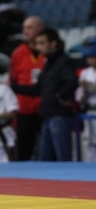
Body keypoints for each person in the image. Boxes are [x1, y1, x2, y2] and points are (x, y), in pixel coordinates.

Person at [11, 28, 78, 161]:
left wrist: (60, 96)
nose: (38, 47)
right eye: (38, 43)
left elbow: (72, 82)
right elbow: (37, 90)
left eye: (42, 43)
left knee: (62, 158)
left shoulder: (63, 62)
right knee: (45, 159)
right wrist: (13, 87)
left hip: (59, 115)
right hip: (47, 116)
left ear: (53, 43)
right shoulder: (48, 64)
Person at [9, 16, 45, 160]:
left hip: (44, 108)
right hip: (24, 109)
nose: (25, 31)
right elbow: (12, 81)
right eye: (24, 28)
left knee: (48, 151)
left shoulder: (48, 51)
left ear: (40, 29)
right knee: (24, 151)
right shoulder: (18, 53)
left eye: (29, 27)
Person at [76, 38, 96, 161]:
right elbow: (79, 96)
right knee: (89, 142)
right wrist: (83, 94)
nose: (90, 60)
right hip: (89, 112)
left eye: (92, 57)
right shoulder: (85, 73)